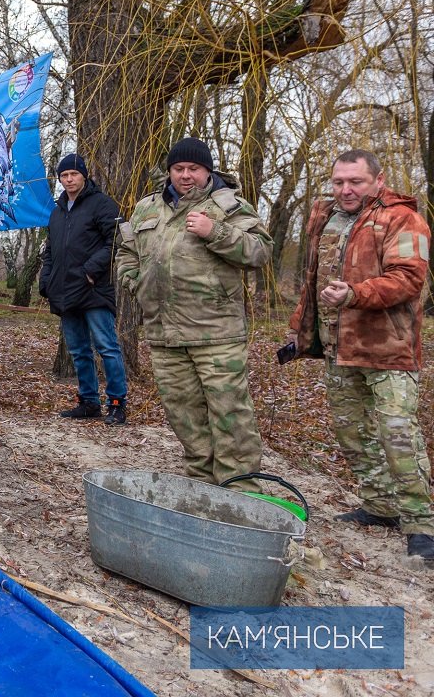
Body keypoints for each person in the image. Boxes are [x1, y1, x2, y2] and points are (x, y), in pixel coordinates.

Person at [287, 149, 433, 562]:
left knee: (398, 435)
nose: (346, 190)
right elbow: (313, 279)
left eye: (356, 182)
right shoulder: (326, 217)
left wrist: (355, 294)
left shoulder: (402, 218)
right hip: (340, 347)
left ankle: (421, 522)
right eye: (339, 182)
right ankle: (380, 505)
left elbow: (408, 279)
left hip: (389, 348)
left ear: (378, 180)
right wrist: (302, 327)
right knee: (353, 433)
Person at [115, 137, 271, 492]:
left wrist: (214, 231)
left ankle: (241, 491)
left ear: (208, 170)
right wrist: (134, 281)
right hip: (164, 333)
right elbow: (127, 251)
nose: (186, 176)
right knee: (184, 416)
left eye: (194, 169)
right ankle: (203, 485)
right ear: (170, 171)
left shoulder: (229, 206)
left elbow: (260, 252)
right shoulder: (147, 208)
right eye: (179, 169)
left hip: (216, 333)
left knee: (230, 416)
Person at [39, 153, 128, 425]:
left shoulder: (101, 205)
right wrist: (46, 279)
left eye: (73, 175)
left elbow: (115, 240)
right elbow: (51, 250)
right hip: (65, 291)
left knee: (107, 346)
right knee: (78, 350)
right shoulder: (57, 211)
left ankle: (117, 402)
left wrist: (92, 269)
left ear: (84, 176)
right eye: (64, 176)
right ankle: (89, 401)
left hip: (93, 289)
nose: (68, 180)